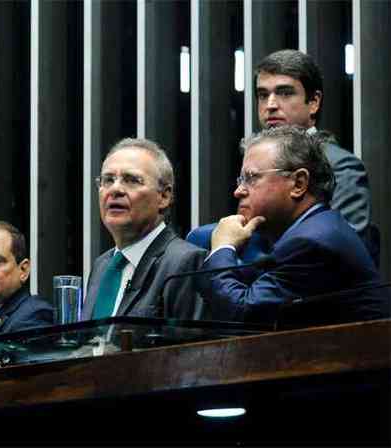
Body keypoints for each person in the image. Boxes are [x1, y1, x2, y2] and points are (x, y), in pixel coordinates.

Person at [188, 49, 378, 265]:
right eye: (262, 95)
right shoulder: (256, 156)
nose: (270, 105)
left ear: (314, 102)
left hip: (305, 284)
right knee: (201, 239)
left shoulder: (341, 165)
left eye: (285, 93)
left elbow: (348, 249)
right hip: (258, 277)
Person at [202, 126, 388, 327]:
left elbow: (242, 314)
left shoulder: (313, 242)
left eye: (251, 178)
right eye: (241, 180)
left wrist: (222, 248)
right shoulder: (313, 228)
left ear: (298, 183)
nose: (238, 191)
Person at [82, 137, 208, 321]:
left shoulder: (185, 262)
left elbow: (189, 348)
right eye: (108, 180)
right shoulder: (102, 265)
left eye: (131, 180)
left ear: (164, 196)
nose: (115, 189)